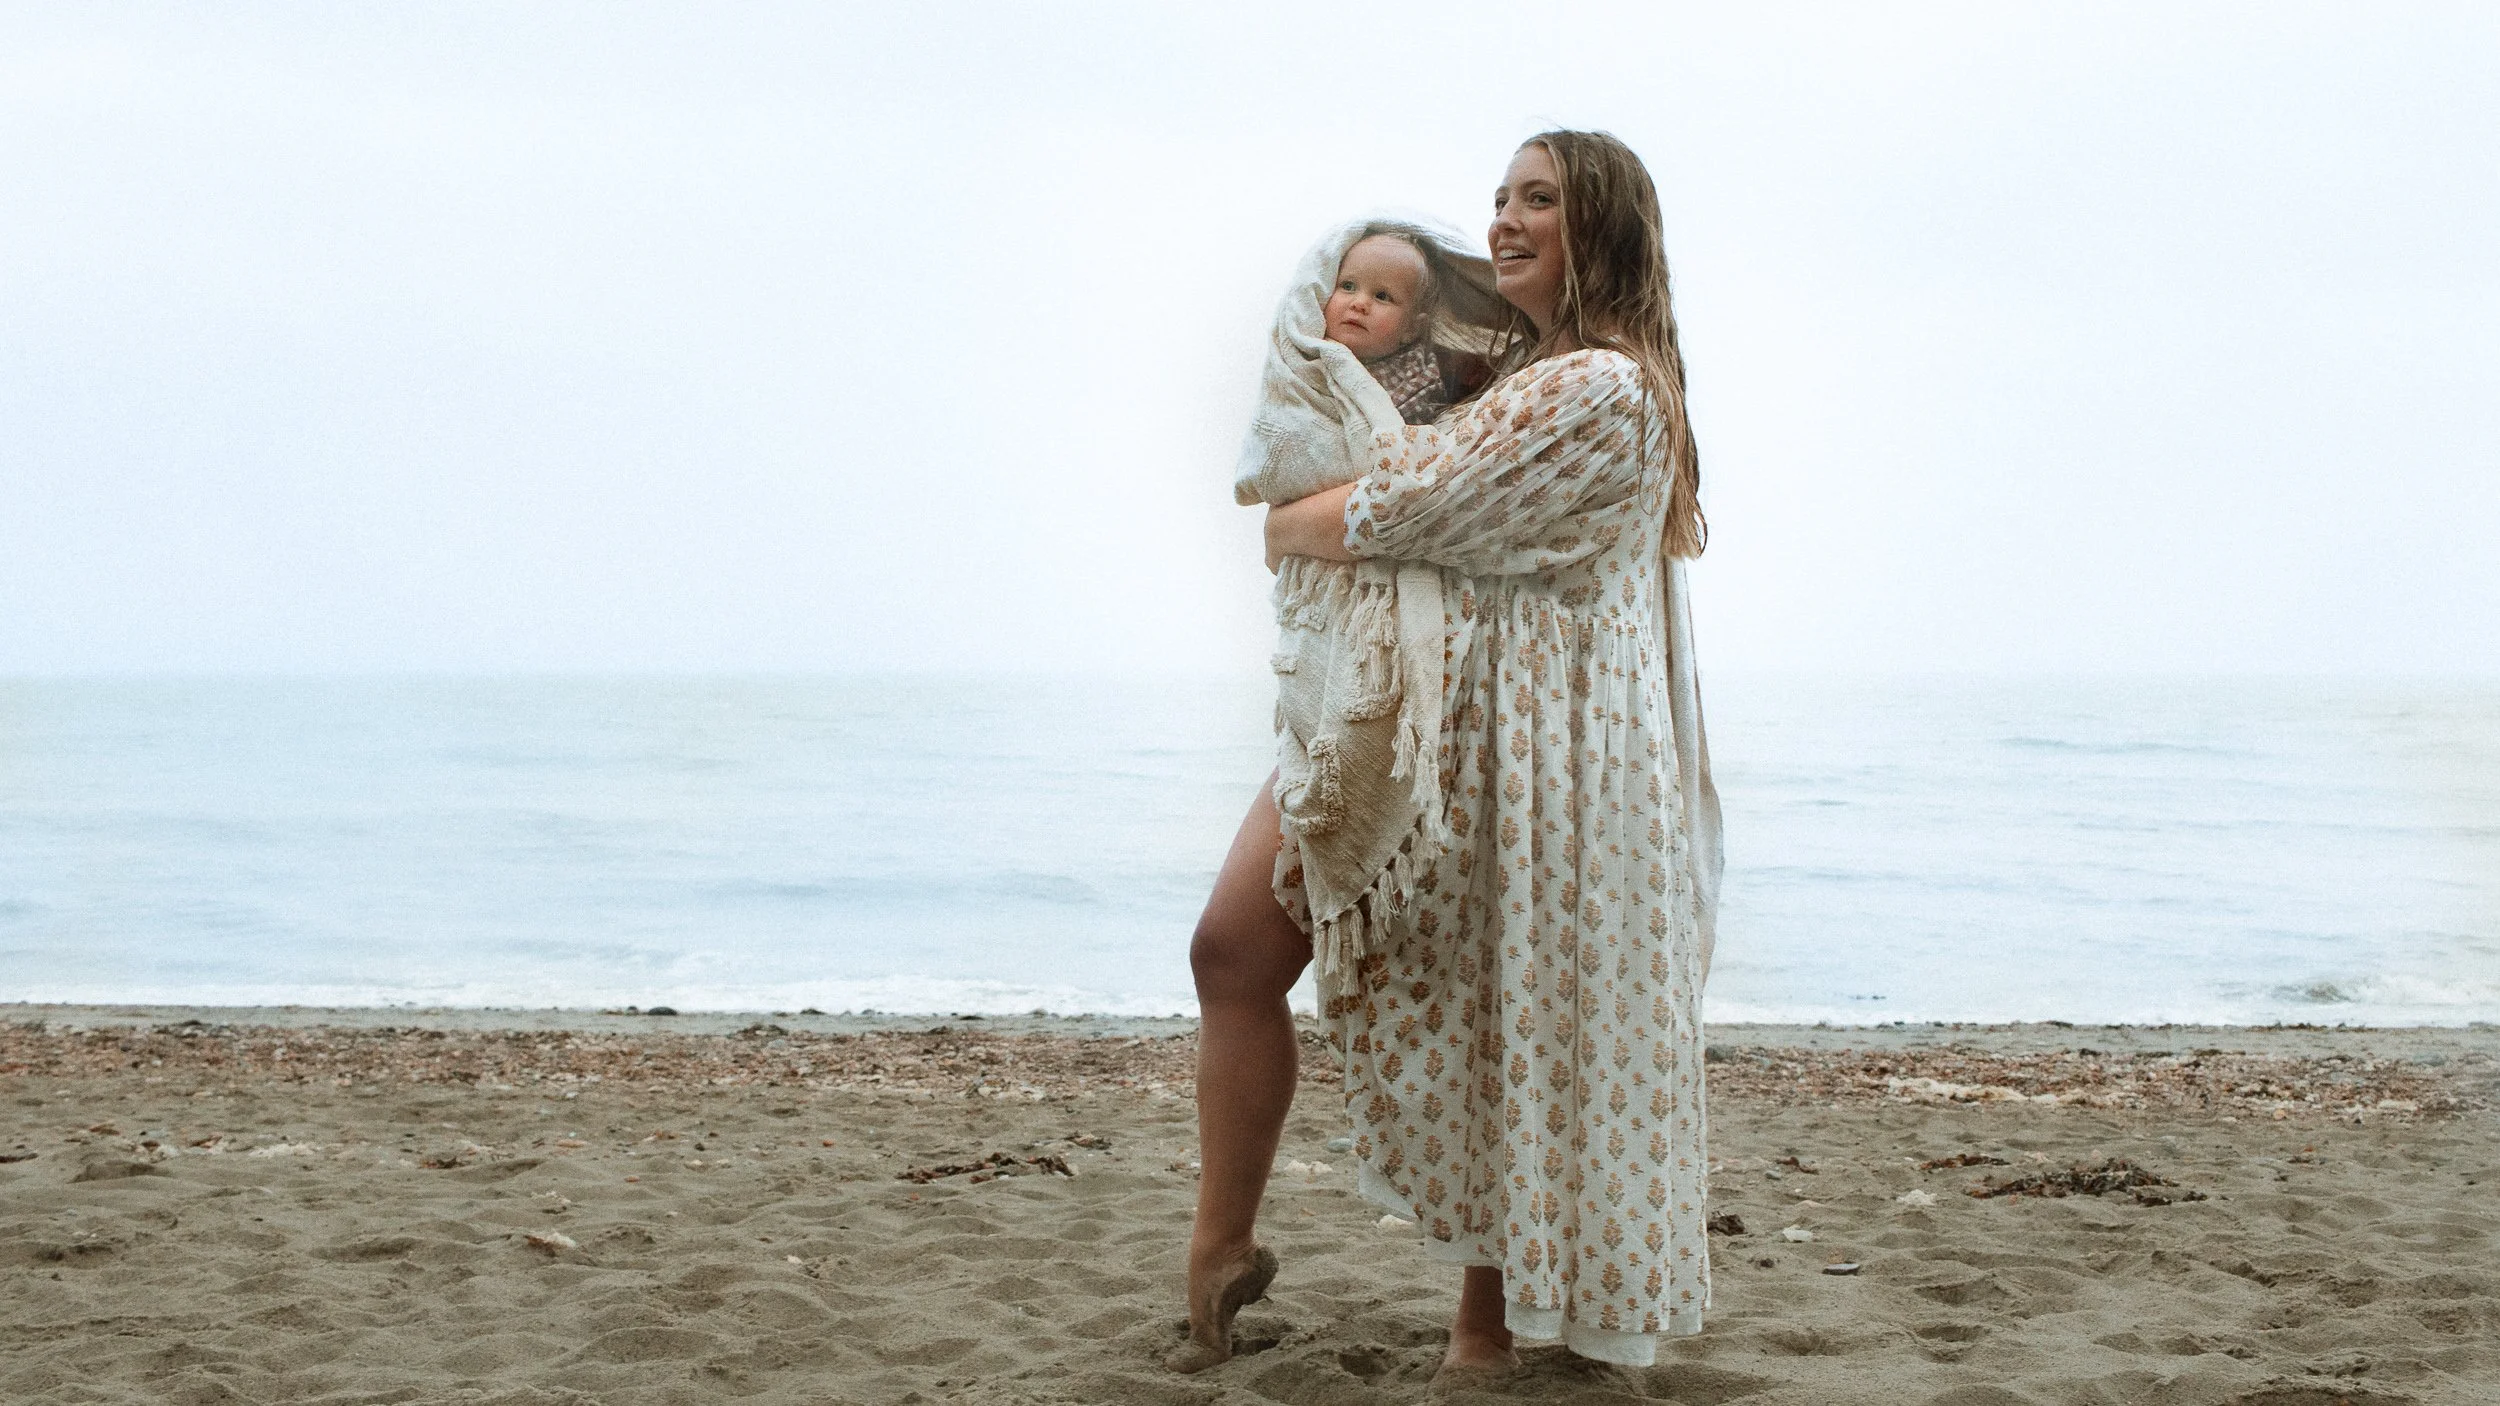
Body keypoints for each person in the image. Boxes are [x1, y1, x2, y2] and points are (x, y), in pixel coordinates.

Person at [1178, 129, 1723, 1380]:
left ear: (1605, 227)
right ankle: (1221, 1247)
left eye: (1541, 199)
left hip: (1529, 758)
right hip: (1398, 718)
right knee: (1231, 948)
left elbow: (1388, 509)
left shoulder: (1605, 389)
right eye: (1499, 197)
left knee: (1513, 1019)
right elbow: (1377, 435)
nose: (1507, 218)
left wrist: (1292, 526)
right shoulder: (1503, 371)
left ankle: (1484, 1330)